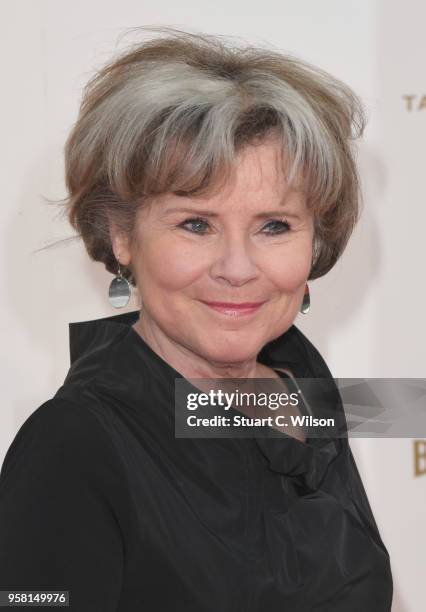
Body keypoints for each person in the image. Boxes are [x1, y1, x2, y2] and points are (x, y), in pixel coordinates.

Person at [0, 26, 392, 611]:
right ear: (122, 235)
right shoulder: (73, 447)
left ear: (315, 243)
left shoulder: (302, 386)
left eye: (274, 226)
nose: (238, 268)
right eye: (196, 224)